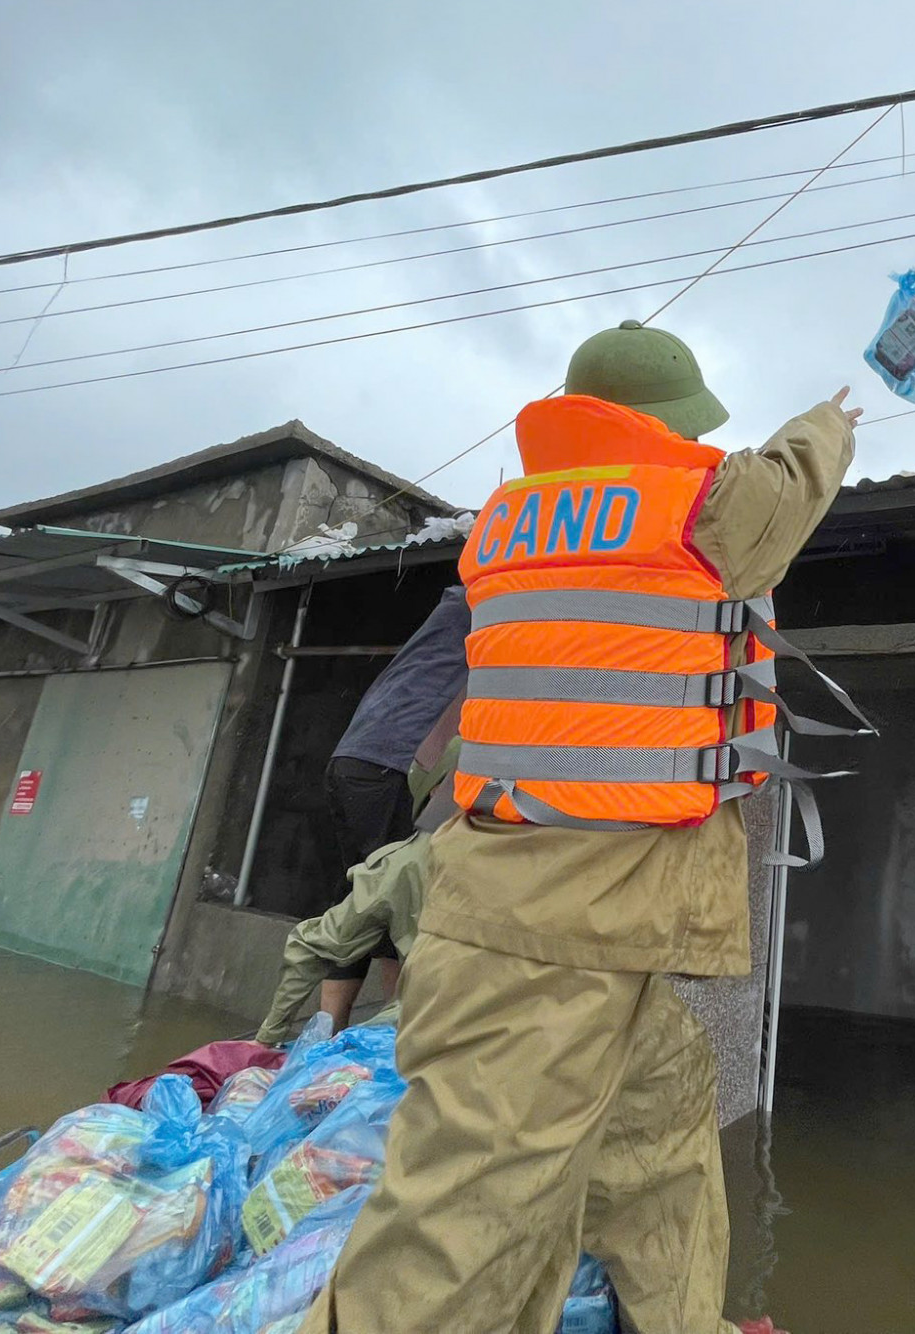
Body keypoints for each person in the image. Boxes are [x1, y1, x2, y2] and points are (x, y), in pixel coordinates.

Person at [302, 319, 862, 1334]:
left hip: (605, 920)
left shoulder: (502, 531)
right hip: (544, 941)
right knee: (457, 1230)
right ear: (660, 425)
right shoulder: (701, 508)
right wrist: (833, 414)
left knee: (662, 1163)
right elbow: (794, 475)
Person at [316, 584, 468, 1028]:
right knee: (396, 901)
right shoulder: (489, 603)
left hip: (353, 760)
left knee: (363, 895)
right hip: (390, 764)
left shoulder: (452, 613)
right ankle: (389, 1032)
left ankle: (330, 1033)